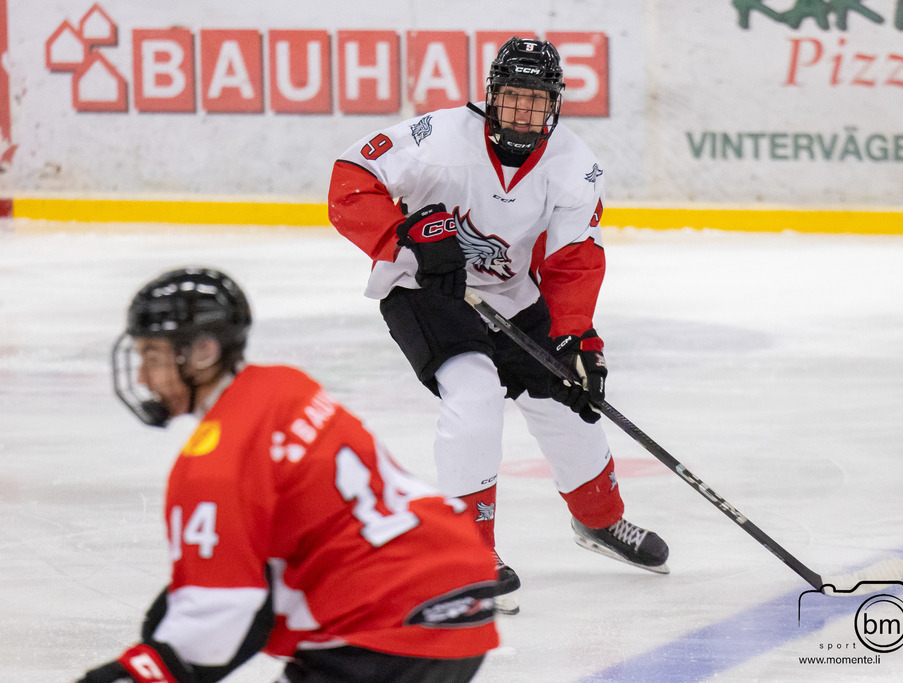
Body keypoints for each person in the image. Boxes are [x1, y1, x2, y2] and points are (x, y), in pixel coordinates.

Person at [327, 36, 669, 615]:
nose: (522, 114)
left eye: (536, 103)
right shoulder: (437, 137)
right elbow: (350, 180)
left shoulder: (575, 166)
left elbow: (573, 260)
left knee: (565, 398)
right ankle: (463, 552)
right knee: (474, 394)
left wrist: (578, 339)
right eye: (512, 99)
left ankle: (600, 521)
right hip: (424, 290)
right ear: (490, 96)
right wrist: (403, 236)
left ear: (554, 106)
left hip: (515, 296)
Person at [79, 267, 498, 683]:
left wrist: (135, 672)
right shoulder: (285, 386)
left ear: (204, 352)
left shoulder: (210, 468)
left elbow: (216, 622)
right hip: (459, 591)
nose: (141, 377)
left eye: (153, 357)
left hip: (384, 630)